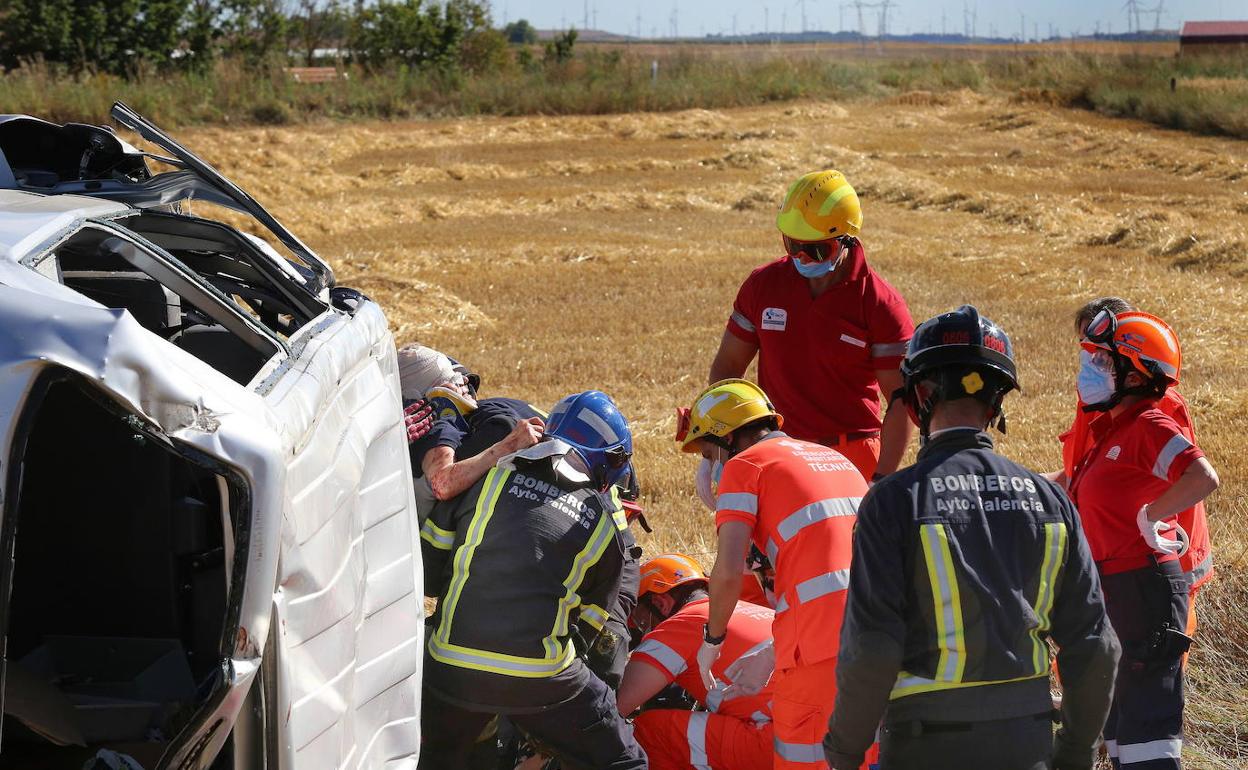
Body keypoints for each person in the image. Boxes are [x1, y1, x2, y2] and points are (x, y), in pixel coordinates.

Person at [824, 305, 1121, 770]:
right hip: (1027, 742)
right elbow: (1095, 643)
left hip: (925, 745)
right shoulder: (1050, 500)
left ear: (919, 397)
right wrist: (1075, 750)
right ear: (997, 402)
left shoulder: (893, 502)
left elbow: (873, 648)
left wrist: (844, 750)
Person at [417, 390, 646, 770]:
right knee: (624, 760)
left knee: (439, 760)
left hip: (450, 667)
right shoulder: (603, 519)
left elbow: (428, 567)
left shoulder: (483, 478)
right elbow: (592, 621)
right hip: (541, 676)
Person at [676, 378, 866, 769]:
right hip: (884, 637)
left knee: (801, 757)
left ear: (728, 437)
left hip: (818, 650)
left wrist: (712, 640)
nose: (712, 463)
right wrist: (775, 647)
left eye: (710, 451)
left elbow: (728, 572)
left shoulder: (746, 466)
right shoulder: (835, 460)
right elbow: (833, 565)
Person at [1067, 309, 1219, 770]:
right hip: (1115, 590)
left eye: (1104, 362)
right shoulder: (1112, 429)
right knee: (1119, 731)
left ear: (1135, 374)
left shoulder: (1150, 425)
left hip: (1144, 590)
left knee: (1145, 739)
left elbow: (1202, 476)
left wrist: (1153, 514)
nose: (1091, 369)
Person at [707, 169, 914, 482]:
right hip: (778, 452)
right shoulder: (762, 286)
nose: (802, 256)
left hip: (853, 458)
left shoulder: (880, 305)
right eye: (793, 245)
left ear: (847, 239)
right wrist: (720, 444)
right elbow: (727, 367)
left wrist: (881, 479)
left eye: (817, 249)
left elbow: (902, 401)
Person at [1055, 298, 1214, 645]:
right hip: (1113, 562)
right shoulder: (1102, 402)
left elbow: (1191, 479)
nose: (1091, 359)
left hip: (1153, 564)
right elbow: (1090, 472)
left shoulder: (1155, 408)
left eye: (1100, 352)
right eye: (1087, 348)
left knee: (1152, 670)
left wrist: (1153, 520)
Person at [616, 553, 776, 770]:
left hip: (778, 744)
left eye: (639, 619)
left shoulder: (677, 626)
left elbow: (615, 709)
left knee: (649, 730)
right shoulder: (755, 610)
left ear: (660, 603)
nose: (640, 628)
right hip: (824, 736)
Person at [396, 344, 545, 513]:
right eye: (453, 380)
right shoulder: (441, 421)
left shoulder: (471, 416)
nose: (465, 381)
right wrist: (509, 445)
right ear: (434, 394)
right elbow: (443, 484)